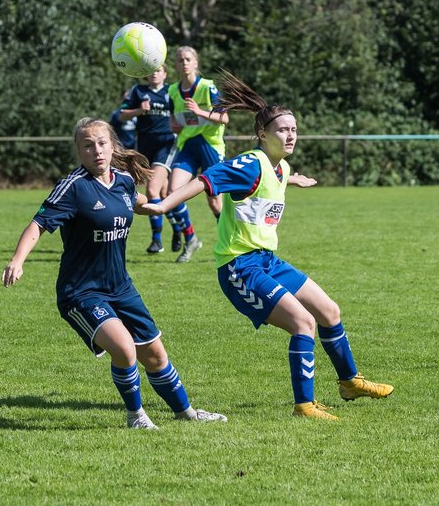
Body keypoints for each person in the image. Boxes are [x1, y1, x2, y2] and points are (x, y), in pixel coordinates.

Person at [142, 72, 393, 420]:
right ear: (263, 134)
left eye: (293, 129)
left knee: (329, 312)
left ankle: (350, 382)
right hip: (239, 267)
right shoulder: (249, 163)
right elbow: (205, 180)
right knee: (303, 323)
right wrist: (162, 204)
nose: (290, 135)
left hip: (267, 262)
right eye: (282, 130)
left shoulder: (280, 166)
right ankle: (304, 406)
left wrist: (293, 178)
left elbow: (274, 178)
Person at [1, 117, 227, 429]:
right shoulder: (73, 187)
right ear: (79, 152)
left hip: (121, 287)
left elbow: (134, 200)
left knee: (156, 356)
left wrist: (150, 205)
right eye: (88, 145)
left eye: (102, 143)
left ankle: (187, 413)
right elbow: (38, 224)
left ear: (112, 146)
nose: (96, 150)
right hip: (81, 292)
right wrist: (17, 260)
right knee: (123, 348)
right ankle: (136, 417)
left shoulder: (121, 181)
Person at [164, 46, 229, 263]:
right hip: (188, 145)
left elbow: (225, 118)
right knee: (172, 192)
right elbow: (175, 122)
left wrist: (200, 111)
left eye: (188, 59)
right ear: (175, 65)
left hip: (210, 146)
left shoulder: (208, 87)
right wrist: (175, 124)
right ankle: (191, 238)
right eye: (180, 59)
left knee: (215, 203)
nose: (184, 62)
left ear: (196, 63)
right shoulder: (173, 91)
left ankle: (229, 242)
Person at [119, 65, 175, 254]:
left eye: (158, 70)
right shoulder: (138, 91)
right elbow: (121, 115)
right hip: (145, 149)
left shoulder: (172, 91)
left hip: (166, 146)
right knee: (166, 194)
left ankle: (156, 240)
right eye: (151, 70)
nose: (154, 73)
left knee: (152, 190)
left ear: (165, 74)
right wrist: (138, 111)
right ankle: (181, 230)